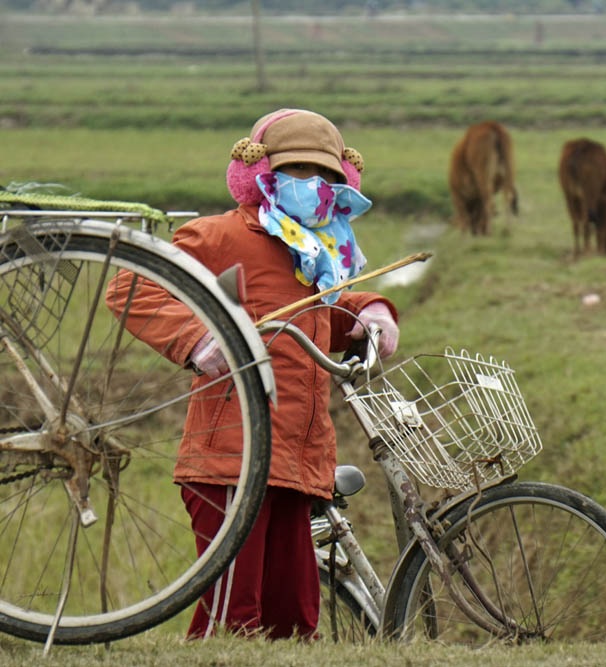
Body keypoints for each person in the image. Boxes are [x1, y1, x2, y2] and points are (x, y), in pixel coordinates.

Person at [105, 108, 399, 640]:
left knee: (294, 627)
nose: (310, 187)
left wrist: (371, 311)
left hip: (298, 463)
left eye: (324, 177)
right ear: (258, 173)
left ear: (342, 181)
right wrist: (198, 338)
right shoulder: (219, 235)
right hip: (228, 463)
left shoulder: (318, 249)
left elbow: (320, 318)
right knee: (232, 625)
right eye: (295, 173)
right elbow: (130, 286)